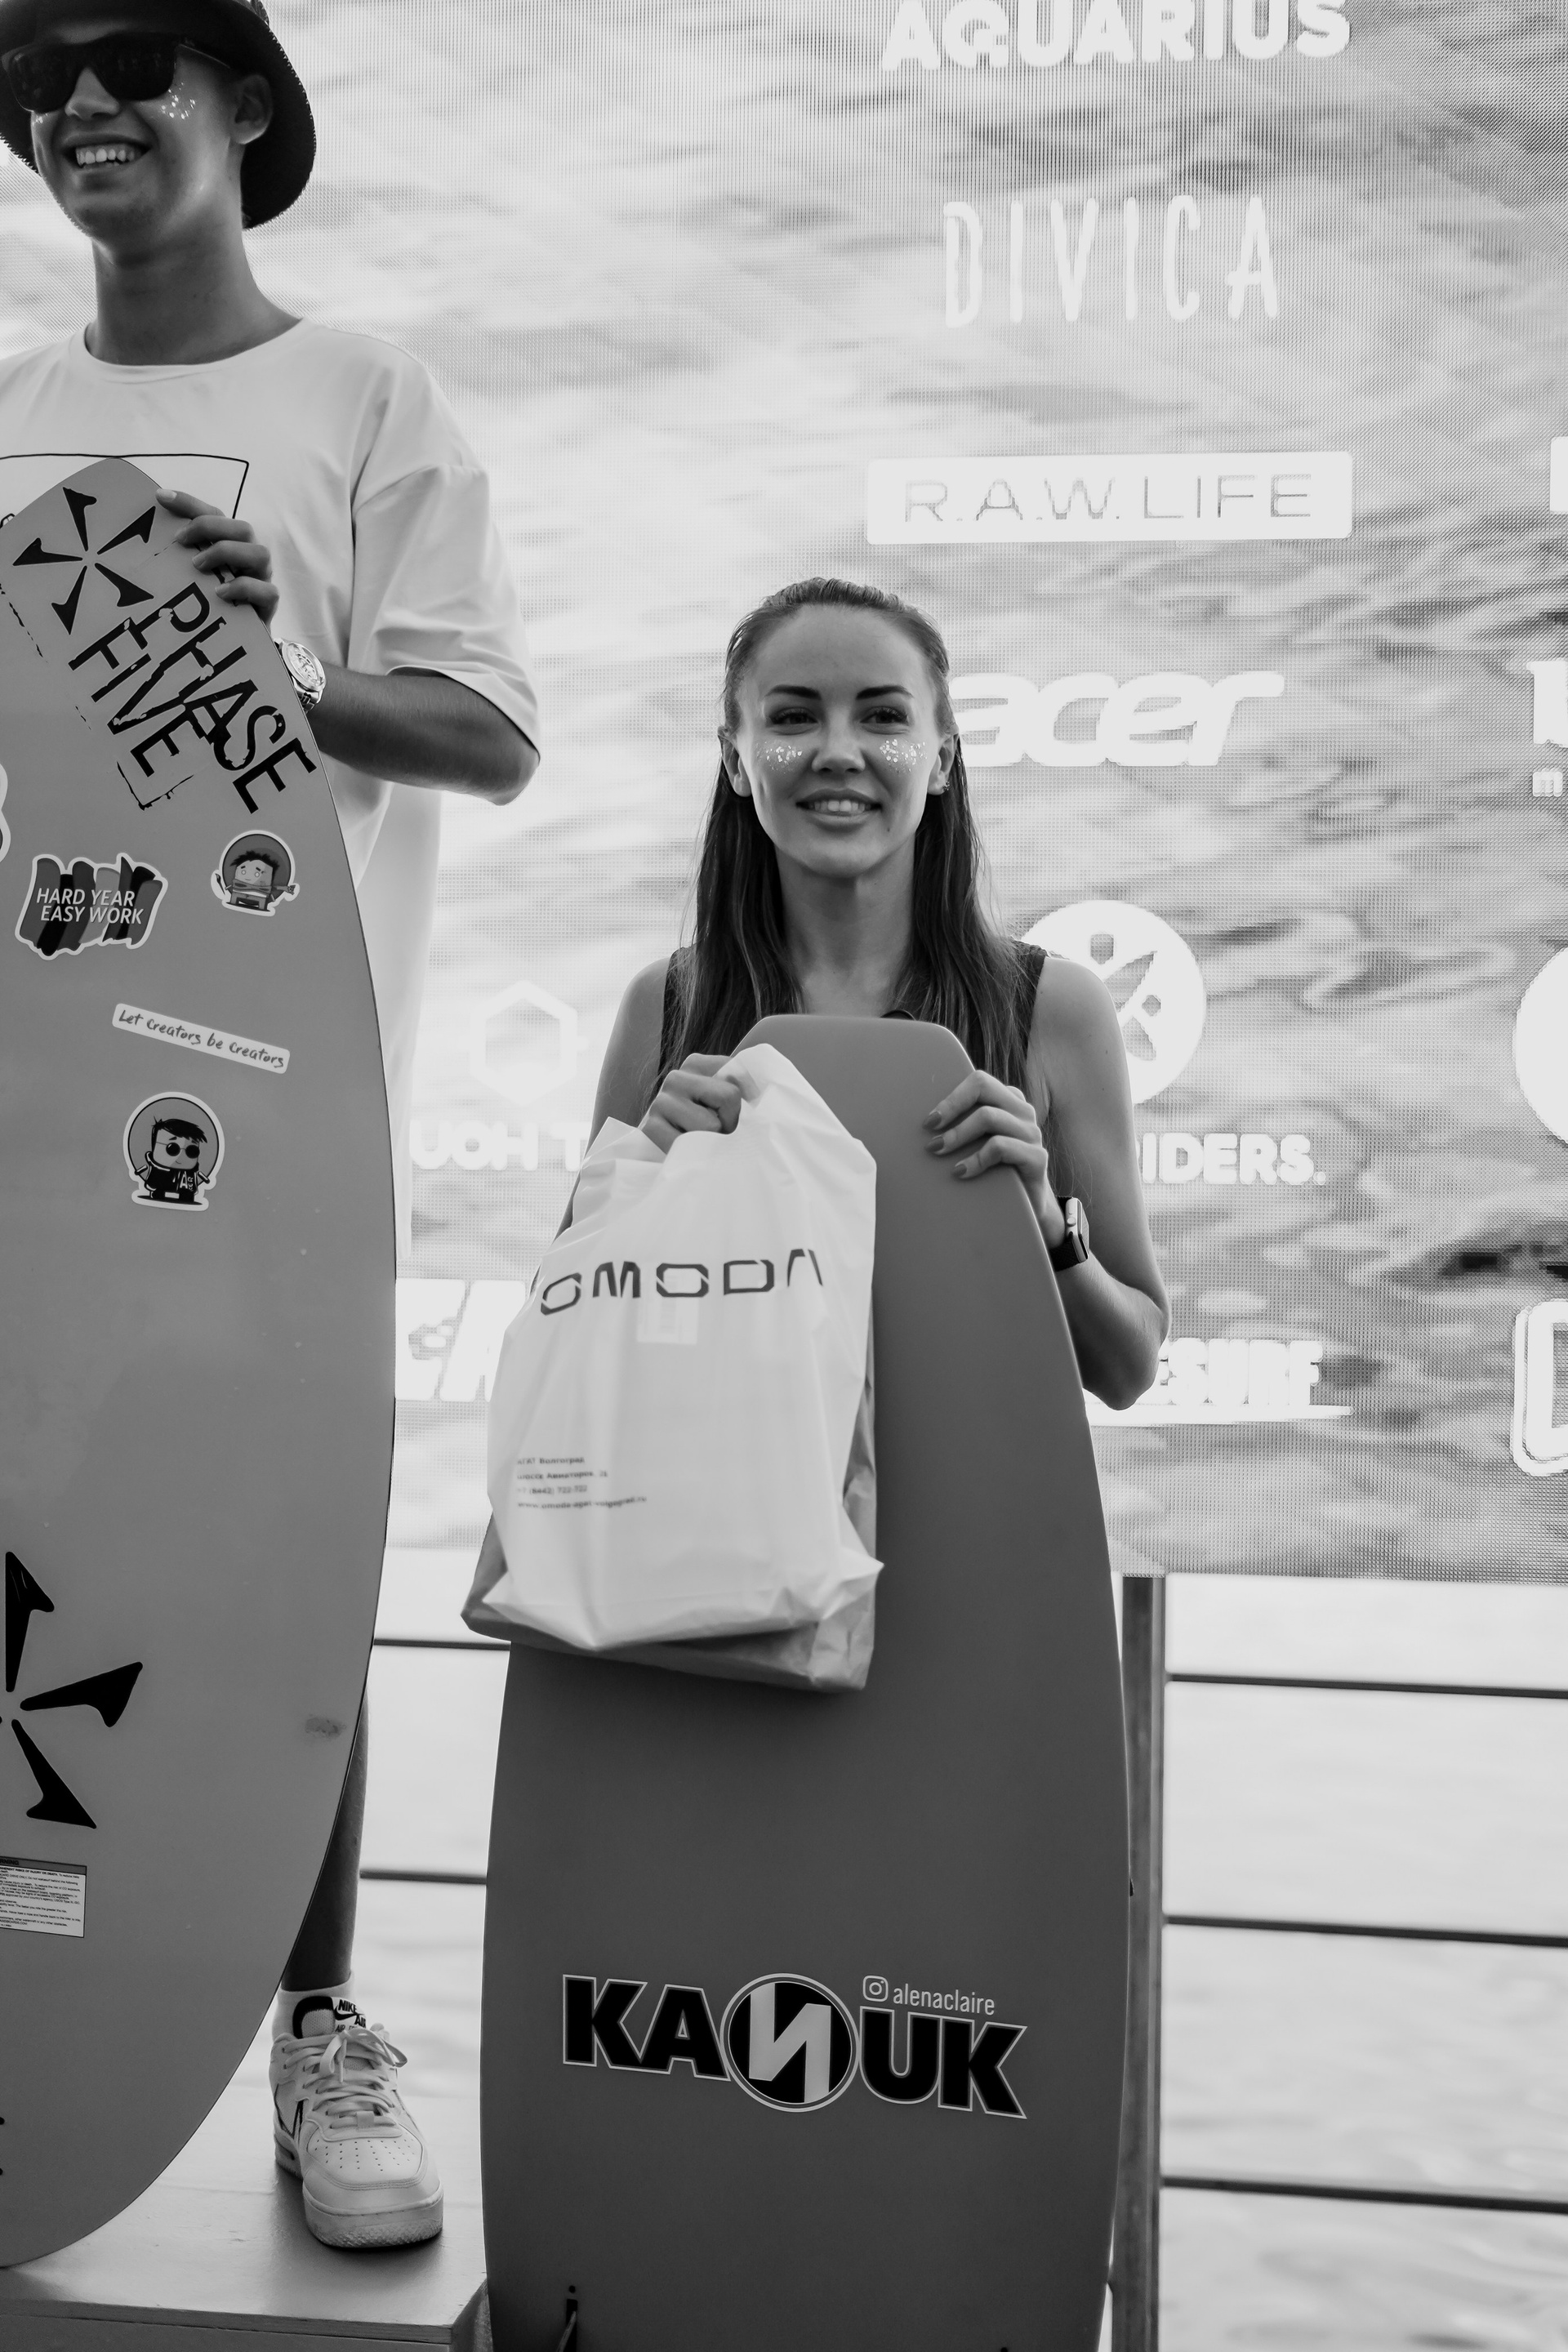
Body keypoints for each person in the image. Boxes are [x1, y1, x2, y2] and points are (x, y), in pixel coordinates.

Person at [0, 0, 541, 2252]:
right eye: (35, 73)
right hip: (26, 1129)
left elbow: (489, 732)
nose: (78, 101)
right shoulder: (13, 413)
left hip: (274, 1125)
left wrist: (285, 681)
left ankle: (321, 2036)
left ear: (243, 104)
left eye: (129, 54)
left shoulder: (366, 397)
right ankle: (41, 2048)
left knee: (274, 1580)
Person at [591, 577, 1167, 1410]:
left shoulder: (1052, 1007)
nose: (838, 751)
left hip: (977, 1486)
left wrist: (1045, 1226)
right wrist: (640, 1189)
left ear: (942, 759)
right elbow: (574, 1341)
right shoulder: (666, 1003)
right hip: (723, 1488)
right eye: (793, 718)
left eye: (884, 717)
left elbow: (1127, 1370)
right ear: (735, 760)